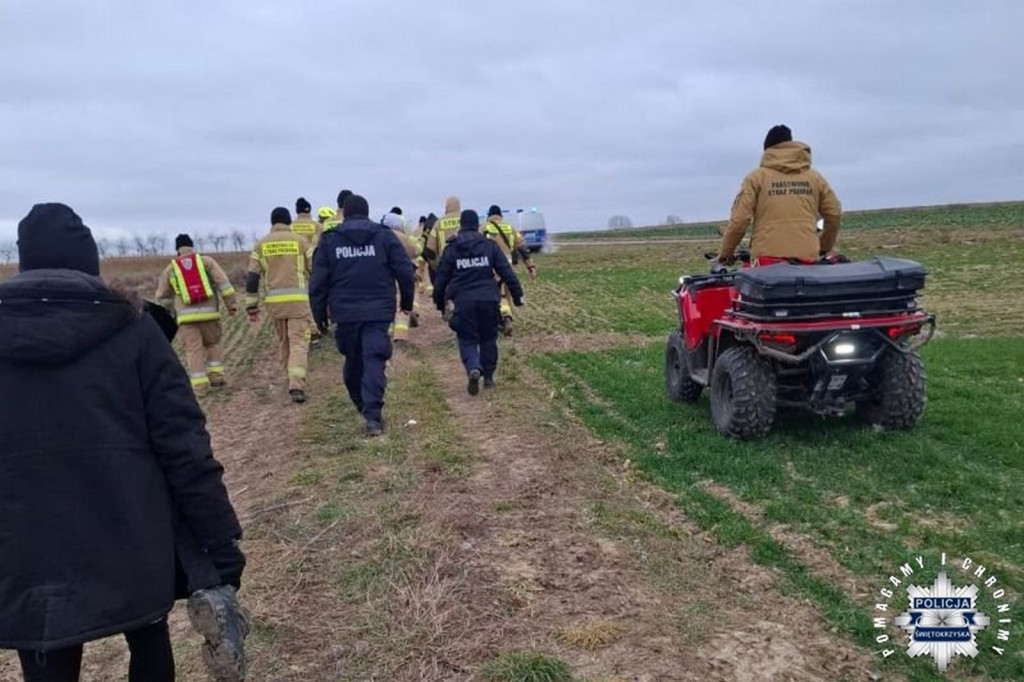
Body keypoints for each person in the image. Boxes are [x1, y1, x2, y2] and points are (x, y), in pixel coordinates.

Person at [0, 203, 247, 682]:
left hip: (25, 543)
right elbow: (185, 447)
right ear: (90, 261)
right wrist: (220, 545)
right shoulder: (135, 330)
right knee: (148, 635)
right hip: (132, 535)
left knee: (46, 643)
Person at [310, 194, 415, 436]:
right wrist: (406, 303)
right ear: (367, 213)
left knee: (357, 361)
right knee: (373, 360)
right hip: (379, 310)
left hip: (344, 313)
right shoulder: (383, 236)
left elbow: (317, 282)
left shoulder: (330, 241)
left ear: (343, 213)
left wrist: (319, 314)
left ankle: (369, 412)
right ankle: (371, 413)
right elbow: (405, 272)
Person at [717, 124, 842, 267]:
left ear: (768, 150)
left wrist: (725, 254)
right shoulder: (815, 178)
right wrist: (824, 247)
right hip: (808, 260)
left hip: (767, 261)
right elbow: (834, 213)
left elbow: (739, 221)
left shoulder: (756, 178)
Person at [433, 209, 523, 395]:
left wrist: (440, 303)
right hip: (489, 299)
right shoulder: (489, 246)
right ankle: (488, 378)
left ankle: (474, 367)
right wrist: (517, 296)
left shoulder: (452, 248)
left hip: (463, 302)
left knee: (467, 339)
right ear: (477, 225)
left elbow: (441, 279)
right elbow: (507, 272)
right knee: (488, 338)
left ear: (461, 226)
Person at [246, 207, 314, 403]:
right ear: (288, 222)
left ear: (272, 223)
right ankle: (296, 384)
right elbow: (315, 270)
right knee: (299, 342)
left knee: (284, 342)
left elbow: (252, 278)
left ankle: (289, 379)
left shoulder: (260, 245)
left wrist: (252, 306)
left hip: (275, 305)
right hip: (299, 303)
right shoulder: (301, 242)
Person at [155, 234, 238, 393]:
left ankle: (200, 387)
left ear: (177, 249)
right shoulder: (206, 262)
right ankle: (217, 379)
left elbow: (162, 296)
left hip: (186, 319)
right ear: (192, 246)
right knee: (213, 344)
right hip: (210, 316)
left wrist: (174, 310)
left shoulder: (171, 268)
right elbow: (224, 284)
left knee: (194, 351)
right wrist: (231, 304)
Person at [483, 204, 537, 336]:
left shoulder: (483, 228)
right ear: (501, 215)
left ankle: (504, 318)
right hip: (509, 268)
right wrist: (531, 267)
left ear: (489, 216)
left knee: (496, 296)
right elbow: (523, 250)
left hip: (491, 268)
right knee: (506, 294)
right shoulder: (510, 228)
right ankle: (506, 317)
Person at [382, 212, 422, 344]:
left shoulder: (378, 236)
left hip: (383, 276)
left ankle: (387, 332)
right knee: (402, 305)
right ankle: (400, 336)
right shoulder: (403, 237)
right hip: (401, 272)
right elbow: (417, 250)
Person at [422, 196, 462, 268]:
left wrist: (436, 267)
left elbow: (430, 248)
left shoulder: (439, 223)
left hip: (446, 262)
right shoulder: (465, 219)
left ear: (446, 207)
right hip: (465, 263)